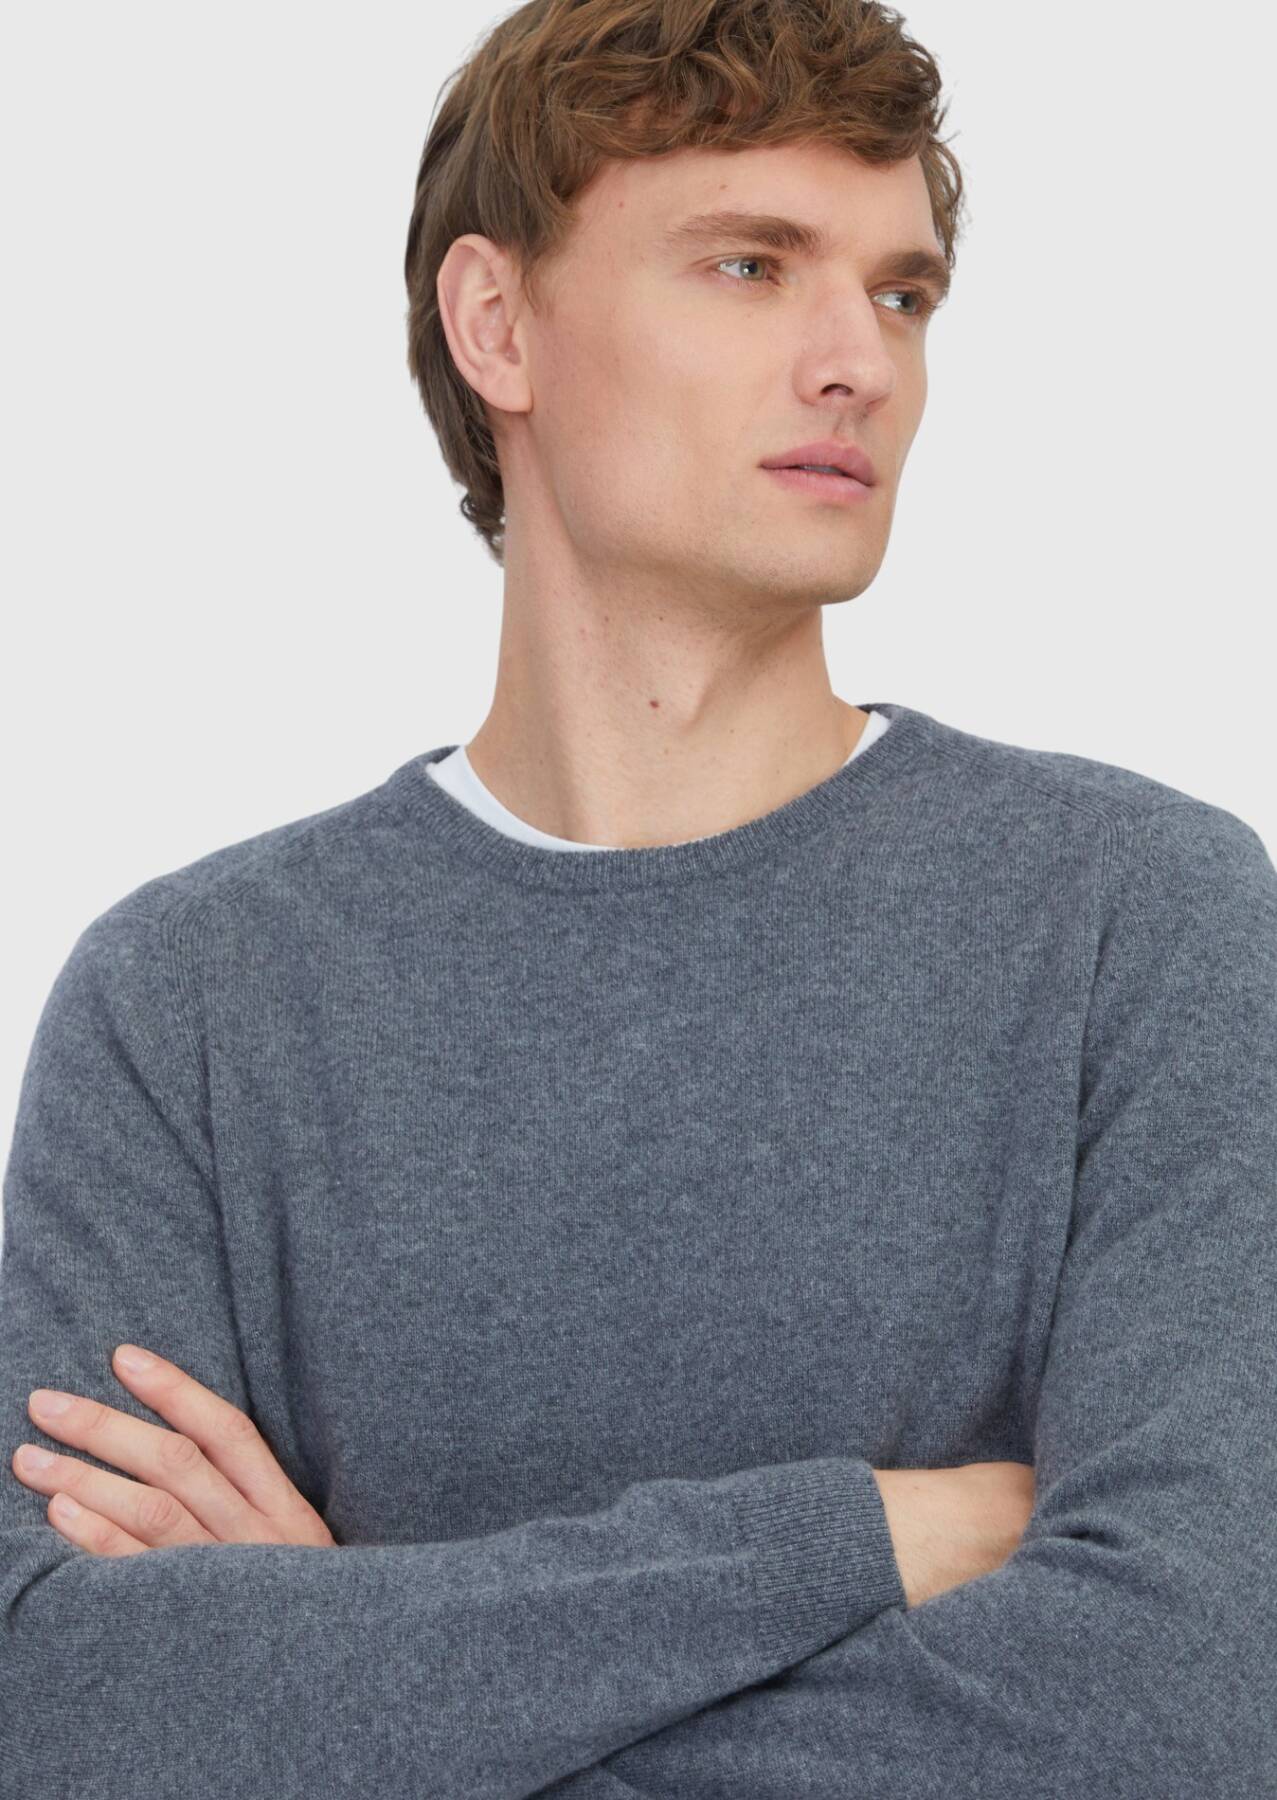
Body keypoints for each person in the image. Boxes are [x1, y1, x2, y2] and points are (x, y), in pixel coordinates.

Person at [3, 2, 1274, 1794]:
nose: (859, 361)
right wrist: (848, 1543)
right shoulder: (187, 1006)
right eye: (751, 266)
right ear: (497, 324)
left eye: (901, 292)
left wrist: (349, 1679)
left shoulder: (1141, 925)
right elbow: (62, 1707)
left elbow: (1184, 1704)